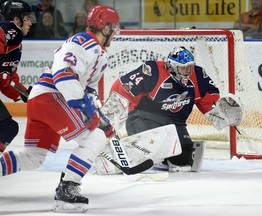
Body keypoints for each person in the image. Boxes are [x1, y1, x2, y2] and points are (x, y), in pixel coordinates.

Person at [0, 4, 120, 213]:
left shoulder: (99, 54)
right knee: (95, 137)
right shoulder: (82, 42)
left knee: (33, 156)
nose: (116, 33)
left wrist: (97, 114)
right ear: (106, 28)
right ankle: (67, 190)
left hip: (45, 98)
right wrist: (83, 106)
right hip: (53, 96)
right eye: (114, 28)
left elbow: (89, 90)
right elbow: (63, 74)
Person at [108, 46, 243, 172]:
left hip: (174, 124)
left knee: (184, 159)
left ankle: (160, 158)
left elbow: (208, 101)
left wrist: (221, 114)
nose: (188, 72)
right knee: (150, 147)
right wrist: (112, 120)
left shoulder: (198, 75)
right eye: (183, 68)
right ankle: (117, 156)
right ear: (172, 67)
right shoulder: (152, 71)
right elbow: (122, 88)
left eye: (190, 67)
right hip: (143, 118)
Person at [0, 0, 35, 153]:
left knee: (9, 127)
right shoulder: (4, 31)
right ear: (16, 20)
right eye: (27, 18)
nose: (30, 23)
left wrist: (24, 94)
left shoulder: (16, 44)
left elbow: (7, 81)